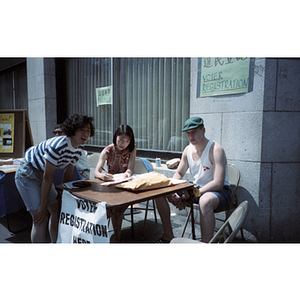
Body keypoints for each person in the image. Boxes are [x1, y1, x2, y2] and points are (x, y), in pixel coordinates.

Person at [15, 114, 95, 243]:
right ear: (72, 130)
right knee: (40, 218)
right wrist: (42, 205)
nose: (86, 134)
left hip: (43, 175)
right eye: (82, 130)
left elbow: (69, 172)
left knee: (56, 211)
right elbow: (48, 177)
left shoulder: (79, 147)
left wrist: (64, 195)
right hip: (27, 174)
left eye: (88, 131)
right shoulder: (58, 145)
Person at [155, 116, 232, 243]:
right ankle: (168, 235)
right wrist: (174, 192)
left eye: (194, 132)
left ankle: (206, 244)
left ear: (203, 130)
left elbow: (218, 183)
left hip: (218, 191)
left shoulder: (215, 149)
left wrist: (190, 195)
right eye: (188, 133)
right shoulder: (187, 150)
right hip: (196, 188)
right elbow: (179, 173)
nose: (191, 137)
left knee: (205, 201)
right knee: (160, 192)